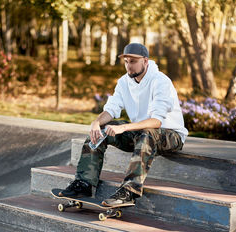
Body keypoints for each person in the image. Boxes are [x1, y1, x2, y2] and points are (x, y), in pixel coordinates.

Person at [59, 43, 188, 206]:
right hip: (141, 133)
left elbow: (157, 121)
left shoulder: (161, 81)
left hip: (171, 135)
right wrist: (96, 123)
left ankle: (129, 191)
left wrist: (123, 127)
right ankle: (84, 183)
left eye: (133, 61)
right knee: (102, 130)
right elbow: (111, 110)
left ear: (145, 61)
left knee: (147, 133)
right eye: (126, 61)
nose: (129, 66)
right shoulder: (124, 82)